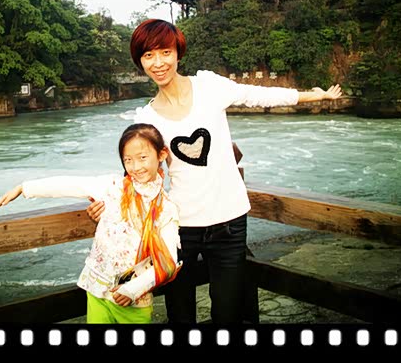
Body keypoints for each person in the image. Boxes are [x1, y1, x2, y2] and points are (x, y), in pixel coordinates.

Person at [87, 19, 342, 324]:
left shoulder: (209, 87)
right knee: (180, 314)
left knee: (228, 312)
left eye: (165, 52)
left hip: (229, 221)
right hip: (178, 228)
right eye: (148, 55)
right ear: (140, 61)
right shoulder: (147, 119)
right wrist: (109, 203)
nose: (158, 63)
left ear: (177, 53)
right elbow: (140, 172)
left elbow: (259, 95)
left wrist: (314, 96)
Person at [0, 123, 182, 324]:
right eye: (128, 160)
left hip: (133, 301)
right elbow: (71, 184)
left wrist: (132, 290)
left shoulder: (166, 208)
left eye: (143, 157)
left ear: (161, 154)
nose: (136, 167)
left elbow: (168, 261)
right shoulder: (113, 187)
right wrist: (24, 188)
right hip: (97, 288)